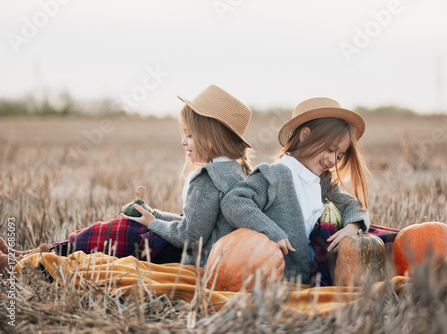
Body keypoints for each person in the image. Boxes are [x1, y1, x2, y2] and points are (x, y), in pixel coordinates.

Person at [0, 85, 253, 271]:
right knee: (121, 230)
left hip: (190, 259)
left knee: (120, 231)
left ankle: (30, 263)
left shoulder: (208, 178)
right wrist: (154, 214)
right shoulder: (234, 172)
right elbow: (197, 224)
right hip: (205, 255)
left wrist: (152, 222)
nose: (183, 141)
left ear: (210, 136)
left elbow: (189, 236)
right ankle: (33, 255)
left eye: (189, 134)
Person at [221, 97, 371, 285]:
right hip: (279, 272)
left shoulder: (323, 181)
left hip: (310, 270)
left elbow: (353, 205)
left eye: (339, 156)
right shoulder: (276, 174)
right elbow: (234, 201)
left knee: (379, 240)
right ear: (305, 135)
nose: (333, 160)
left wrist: (352, 227)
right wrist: (272, 232)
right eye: (330, 149)